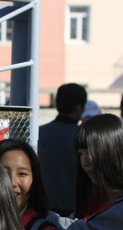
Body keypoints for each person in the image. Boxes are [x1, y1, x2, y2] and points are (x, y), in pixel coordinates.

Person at [38, 83, 87, 216]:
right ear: (78, 108)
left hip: (42, 210)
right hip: (75, 212)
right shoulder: (83, 136)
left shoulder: (38, 133)